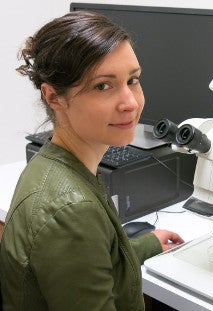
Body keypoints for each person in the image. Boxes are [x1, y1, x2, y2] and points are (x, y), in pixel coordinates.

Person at [0, 11, 184, 311]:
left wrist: (146, 244)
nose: (131, 102)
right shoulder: (72, 209)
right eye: (103, 86)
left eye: (132, 80)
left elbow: (91, 258)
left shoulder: (55, 162)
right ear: (54, 97)